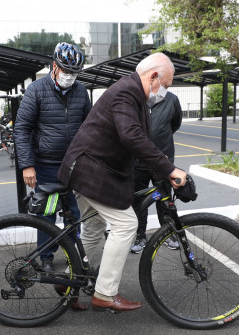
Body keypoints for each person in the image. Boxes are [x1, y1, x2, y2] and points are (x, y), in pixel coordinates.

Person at [58, 52, 187, 312]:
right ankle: (105, 294)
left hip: (89, 167)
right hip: (88, 170)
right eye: (167, 85)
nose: (165, 91)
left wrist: (161, 163)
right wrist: (170, 168)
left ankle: (67, 280)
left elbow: (137, 137)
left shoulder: (133, 94)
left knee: (93, 227)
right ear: (153, 77)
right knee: (127, 224)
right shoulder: (127, 92)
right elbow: (130, 137)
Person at [14, 42, 91, 299]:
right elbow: (22, 129)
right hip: (45, 166)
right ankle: (45, 258)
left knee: (74, 215)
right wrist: (27, 164)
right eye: (67, 70)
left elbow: (89, 127)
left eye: (75, 72)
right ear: (54, 66)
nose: (71, 76)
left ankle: (74, 257)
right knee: (47, 216)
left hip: (73, 166)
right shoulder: (36, 90)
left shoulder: (81, 92)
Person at [129, 89, 182, 253]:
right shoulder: (136, 98)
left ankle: (167, 233)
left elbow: (175, 124)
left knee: (165, 199)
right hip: (138, 159)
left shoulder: (172, 99)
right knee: (138, 201)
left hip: (163, 159)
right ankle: (140, 236)